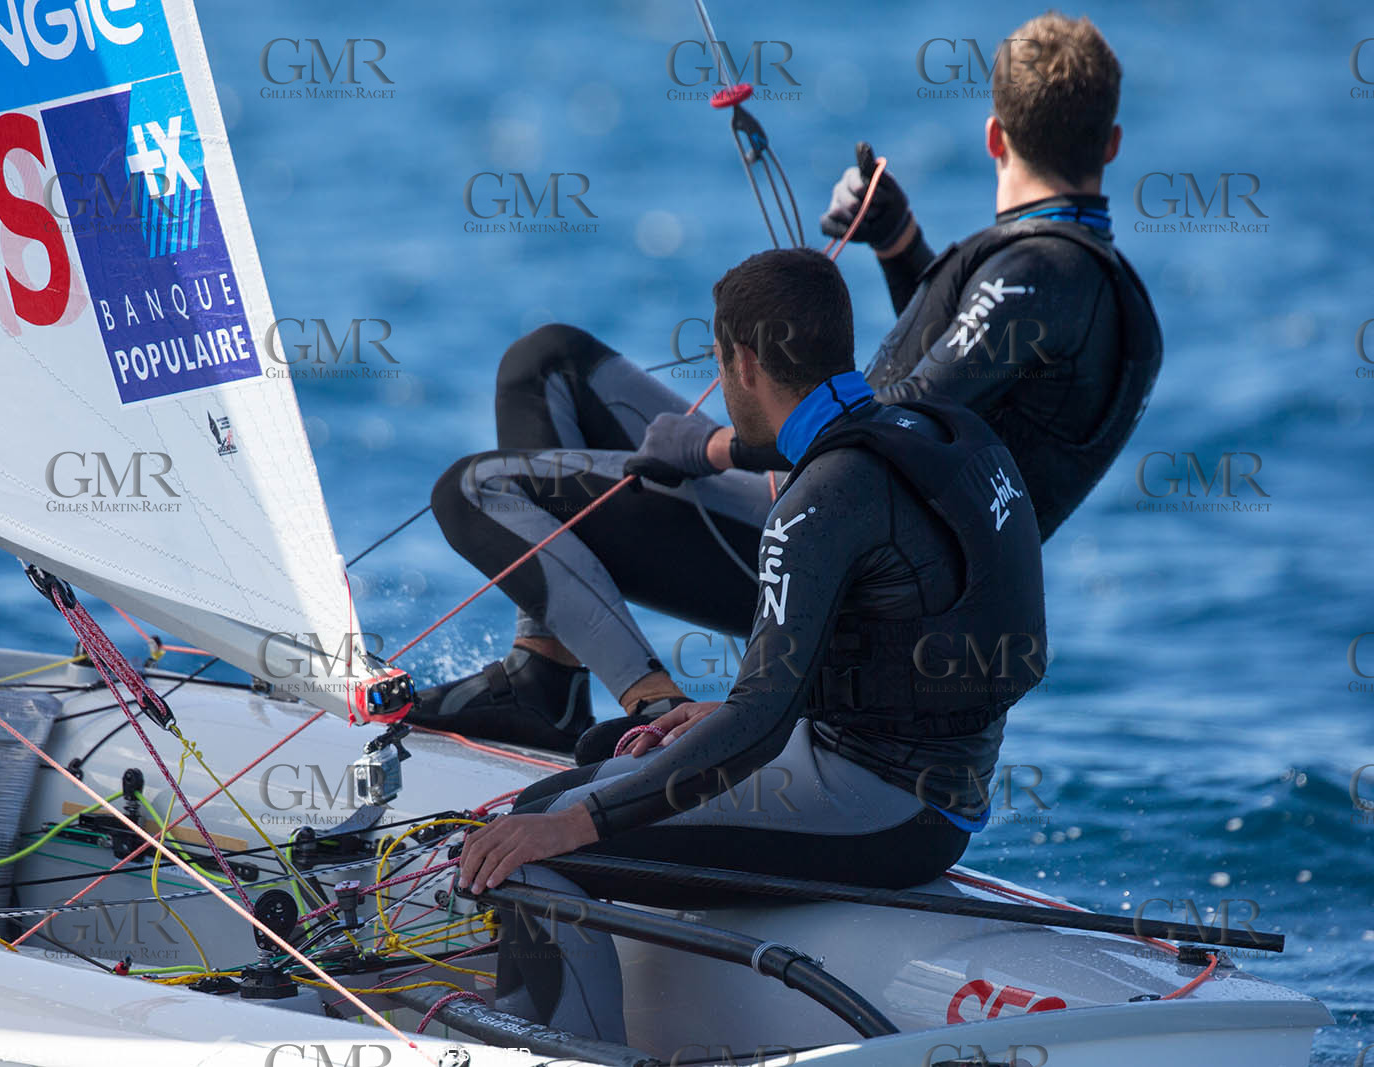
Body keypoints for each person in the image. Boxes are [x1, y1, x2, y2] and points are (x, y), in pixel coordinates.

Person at [412, 12, 1156, 754]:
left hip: (832, 550)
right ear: (1111, 143)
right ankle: (546, 677)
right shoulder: (1084, 281)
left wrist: (714, 447)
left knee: (478, 490)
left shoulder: (1044, 272)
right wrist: (901, 247)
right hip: (843, 508)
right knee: (548, 364)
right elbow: (960, 403)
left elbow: (897, 423)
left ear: (994, 134)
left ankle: (657, 715)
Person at [454, 246, 1046, 1042]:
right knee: (605, 744)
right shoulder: (942, 430)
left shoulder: (816, 505)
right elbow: (884, 648)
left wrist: (570, 827)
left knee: (531, 839)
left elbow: (760, 727)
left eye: (719, 363)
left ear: (743, 360)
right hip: (931, 784)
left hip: (882, 809)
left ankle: (563, 1049)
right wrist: (723, 713)